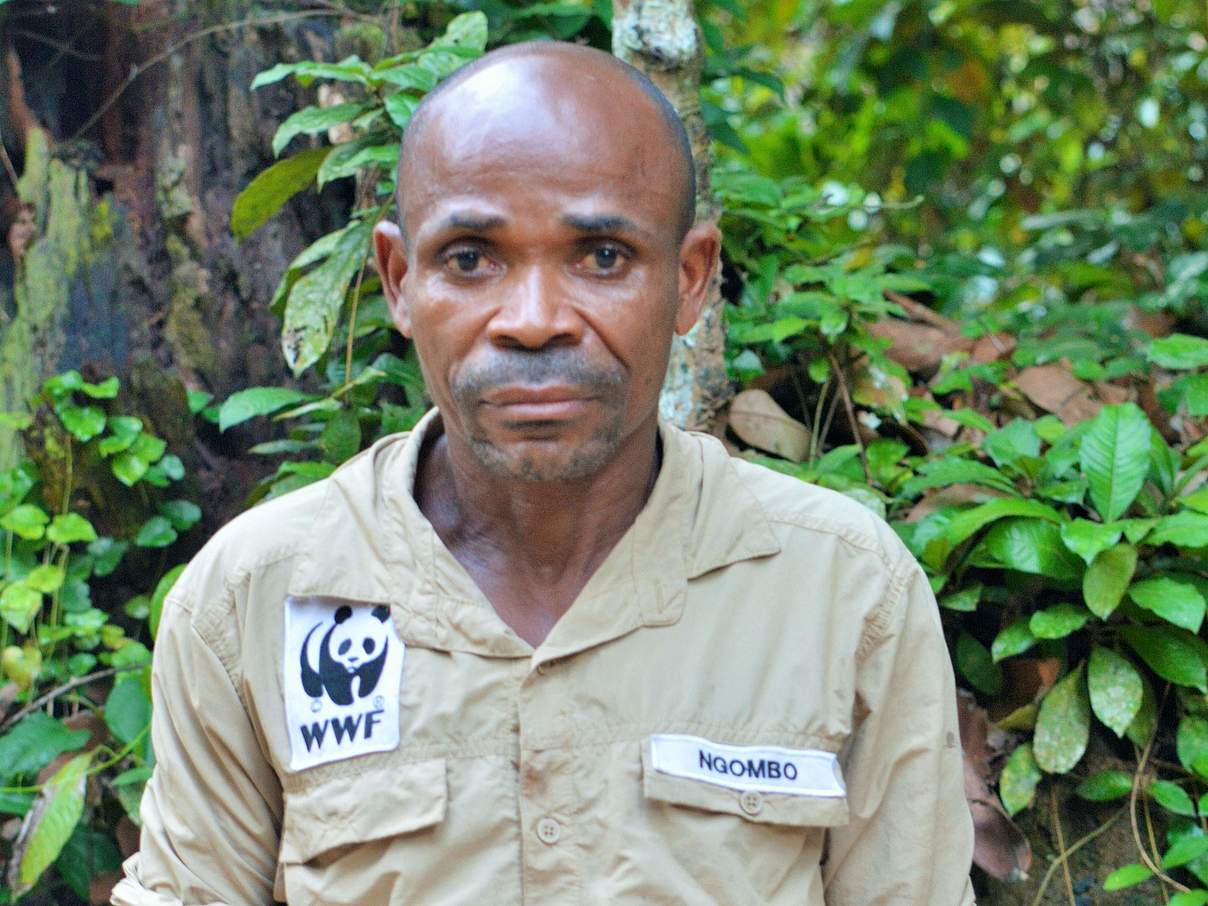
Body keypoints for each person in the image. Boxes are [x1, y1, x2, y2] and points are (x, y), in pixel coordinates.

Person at [112, 40, 975, 906]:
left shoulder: (840, 592)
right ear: (399, 280)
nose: (532, 322)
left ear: (690, 279)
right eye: (470, 259)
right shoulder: (256, 597)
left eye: (602, 256)